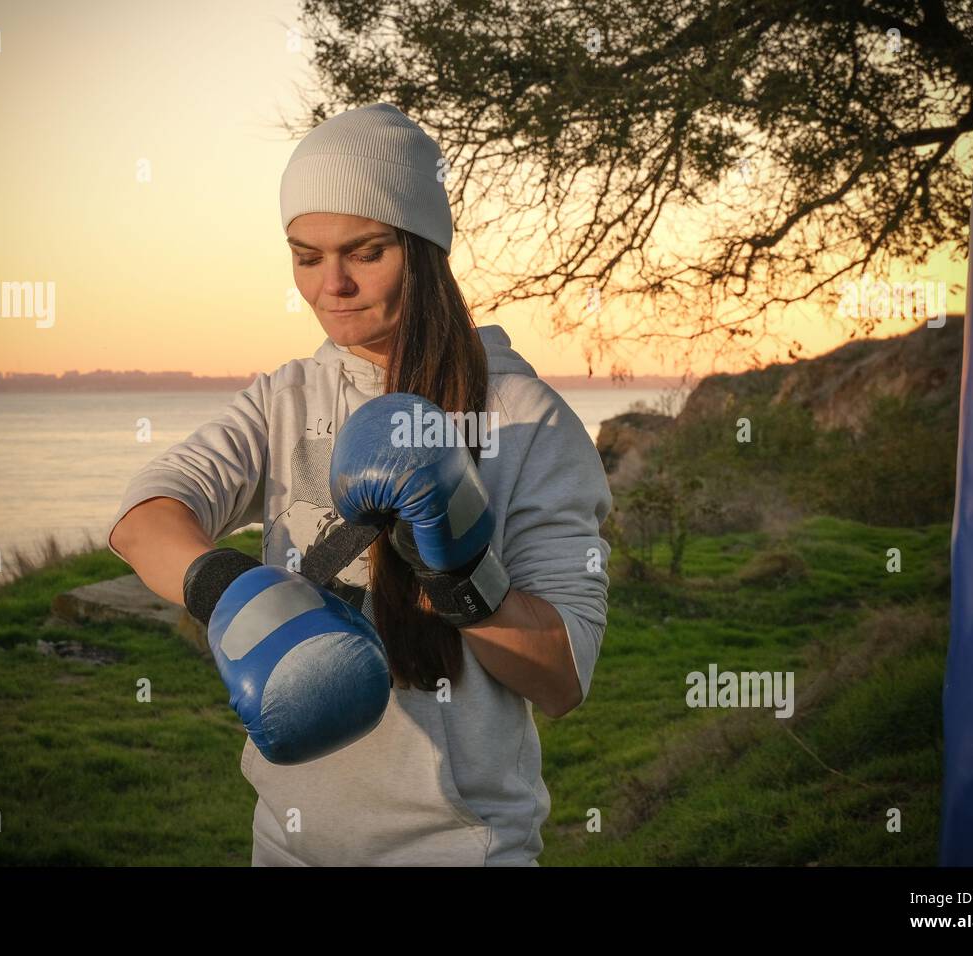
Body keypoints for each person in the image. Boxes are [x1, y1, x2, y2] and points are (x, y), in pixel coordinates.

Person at [106, 102, 612, 866]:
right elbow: (143, 517)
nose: (331, 284)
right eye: (305, 256)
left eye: (364, 252)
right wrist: (229, 590)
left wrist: (459, 572)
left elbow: (563, 678)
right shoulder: (286, 399)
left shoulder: (526, 418)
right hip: (286, 844)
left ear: (423, 247)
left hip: (458, 850)